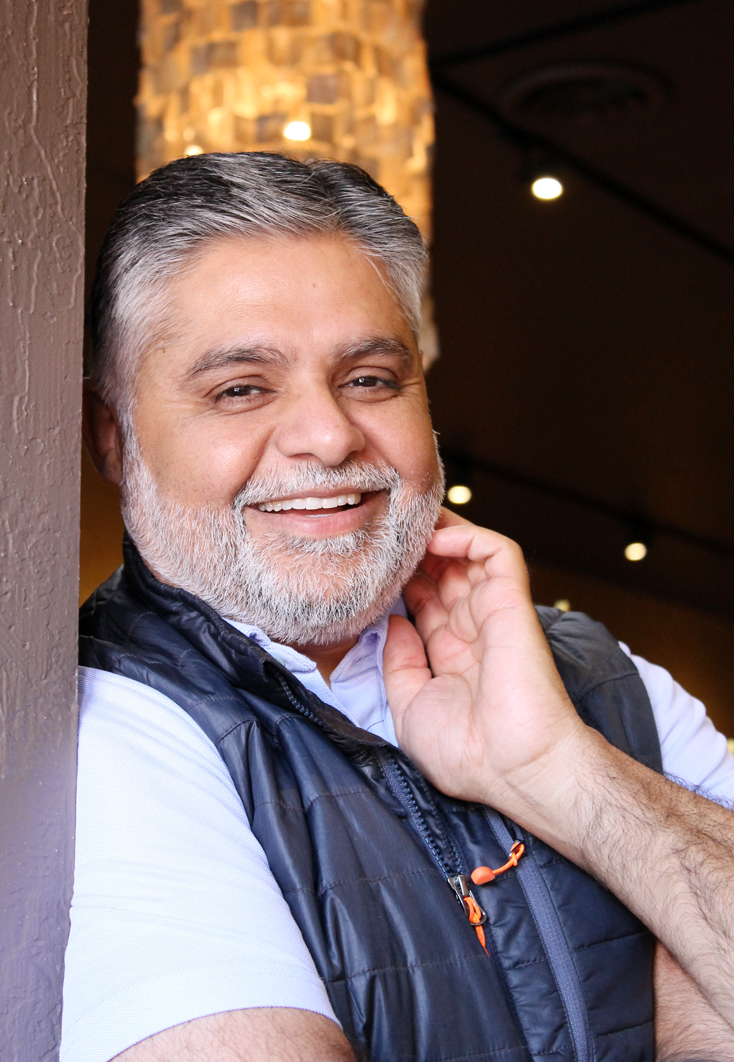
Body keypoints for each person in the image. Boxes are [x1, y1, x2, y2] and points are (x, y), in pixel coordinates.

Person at [62, 152, 734, 1062]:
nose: (329, 435)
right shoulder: (93, 727)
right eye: (240, 389)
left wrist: (560, 771)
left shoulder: (604, 679)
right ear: (114, 437)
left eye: (371, 378)